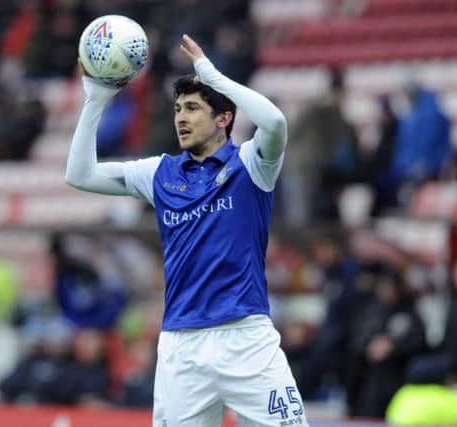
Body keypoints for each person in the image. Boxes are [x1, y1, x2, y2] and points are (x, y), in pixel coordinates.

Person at [66, 34, 308, 427]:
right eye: (178, 108)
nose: (180, 117)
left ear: (223, 118)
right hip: (182, 346)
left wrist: (212, 76)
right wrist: (95, 97)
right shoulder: (160, 173)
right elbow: (79, 174)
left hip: (246, 339)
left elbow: (275, 121)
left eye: (193, 108)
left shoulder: (252, 165)